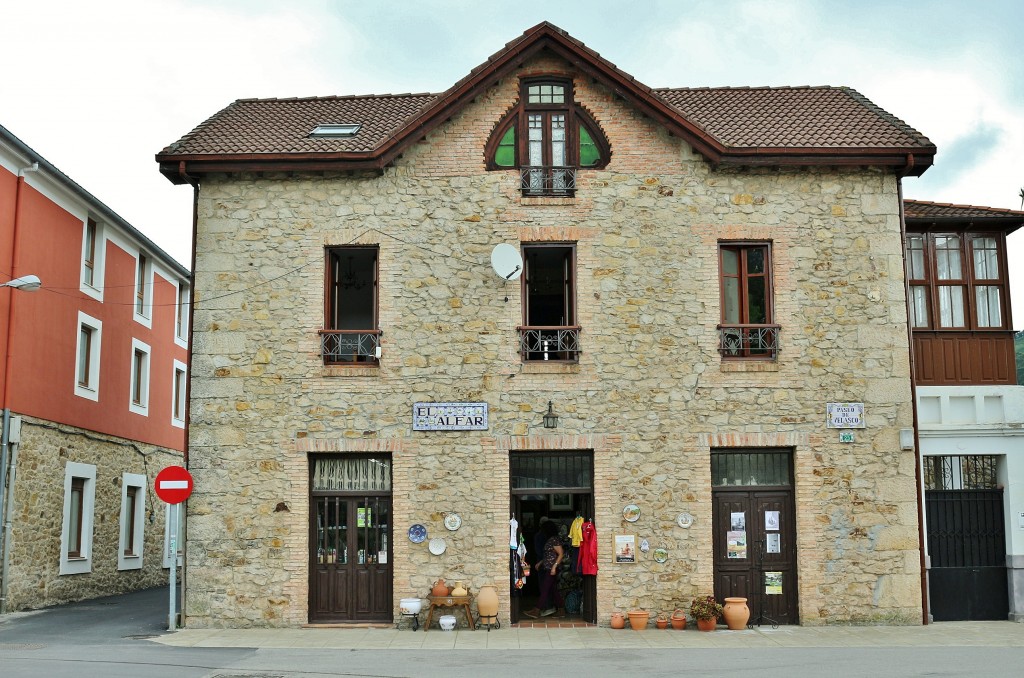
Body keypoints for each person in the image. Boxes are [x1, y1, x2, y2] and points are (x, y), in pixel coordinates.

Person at [523, 519, 564, 618]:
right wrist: (540, 562)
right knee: (553, 590)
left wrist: (554, 567)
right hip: (548, 567)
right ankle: (561, 610)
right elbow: (549, 554)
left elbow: (561, 554)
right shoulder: (550, 539)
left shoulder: (554, 539)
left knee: (545, 589)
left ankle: (536, 610)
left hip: (551, 569)